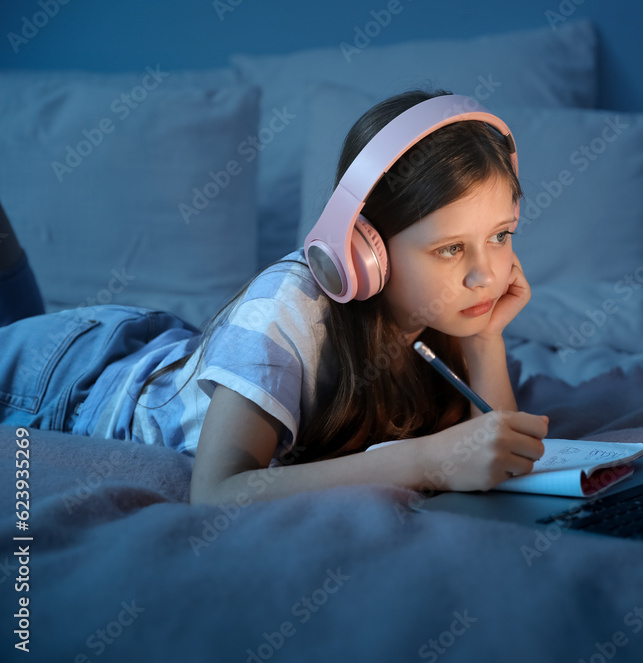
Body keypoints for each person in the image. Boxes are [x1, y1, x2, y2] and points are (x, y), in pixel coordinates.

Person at [0, 89, 549, 505]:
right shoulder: (289, 310)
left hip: (157, 350)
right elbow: (216, 492)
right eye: (452, 248)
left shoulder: (447, 316)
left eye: (501, 235)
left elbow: (497, 446)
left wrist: (486, 341)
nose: (486, 275)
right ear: (363, 249)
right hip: (68, 378)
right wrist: (421, 462)